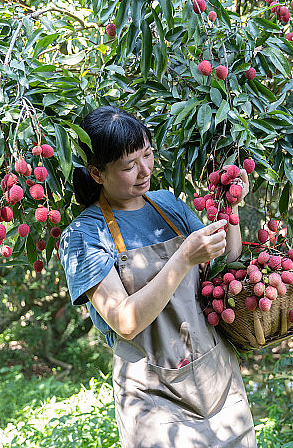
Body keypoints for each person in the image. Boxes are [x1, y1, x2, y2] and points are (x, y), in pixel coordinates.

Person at [58, 105, 257, 447]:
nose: (144, 170)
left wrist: (231, 207)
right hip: (152, 397)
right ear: (96, 173)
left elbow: (227, 265)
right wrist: (182, 259)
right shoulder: (84, 236)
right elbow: (125, 321)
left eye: (147, 155)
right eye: (128, 166)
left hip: (217, 378)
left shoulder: (168, 204)